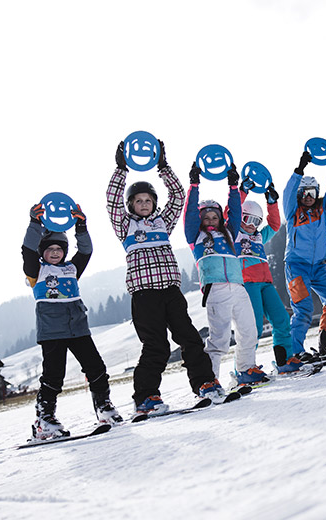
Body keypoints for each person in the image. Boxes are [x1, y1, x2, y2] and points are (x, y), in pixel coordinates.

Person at [107, 141, 224, 416]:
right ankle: (146, 397)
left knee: (190, 337)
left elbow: (177, 195)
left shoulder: (162, 222)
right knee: (156, 346)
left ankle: (205, 382)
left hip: (170, 291)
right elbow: (112, 200)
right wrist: (121, 168)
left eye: (148, 200)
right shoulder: (125, 226)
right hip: (145, 295)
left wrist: (163, 167)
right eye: (139, 201)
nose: (144, 204)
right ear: (131, 205)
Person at [22, 203, 122, 440]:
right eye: (50, 249)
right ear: (42, 252)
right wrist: (35, 223)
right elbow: (26, 249)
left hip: (78, 328)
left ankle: (104, 407)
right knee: (54, 376)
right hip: (52, 332)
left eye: (59, 248)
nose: (55, 252)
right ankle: (45, 419)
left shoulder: (71, 269)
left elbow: (86, 250)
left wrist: (81, 226)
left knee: (96, 368)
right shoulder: (36, 272)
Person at [184, 161, 270, 387]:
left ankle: (245, 369)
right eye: (207, 218)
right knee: (220, 338)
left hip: (238, 287)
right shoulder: (195, 237)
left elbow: (235, 210)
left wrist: (234, 186)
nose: (211, 221)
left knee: (249, 331)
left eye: (215, 217)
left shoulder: (230, 234)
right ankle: (210, 379)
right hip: (216, 289)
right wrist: (194, 184)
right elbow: (190, 214)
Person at [283, 150, 326, 359]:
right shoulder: (293, 212)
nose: (308, 197)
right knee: (303, 308)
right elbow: (288, 194)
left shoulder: (322, 208)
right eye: (304, 193)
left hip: (318, 266)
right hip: (296, 266)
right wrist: (299, 170)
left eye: (312, 192)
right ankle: (295, 352)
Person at [234, 181, 299, 373]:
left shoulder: (258, 236)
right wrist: (242, 192)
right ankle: (245, 368)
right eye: (249, 220)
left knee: (281, 319)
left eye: (257, 222)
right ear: (241, 218)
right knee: (252, 327)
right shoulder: (233, 234)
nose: (253, 225)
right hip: (248, 284)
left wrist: (272, 203)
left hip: (266, 283)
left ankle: (284, 359)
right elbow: (231, 212)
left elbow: (275, 224)